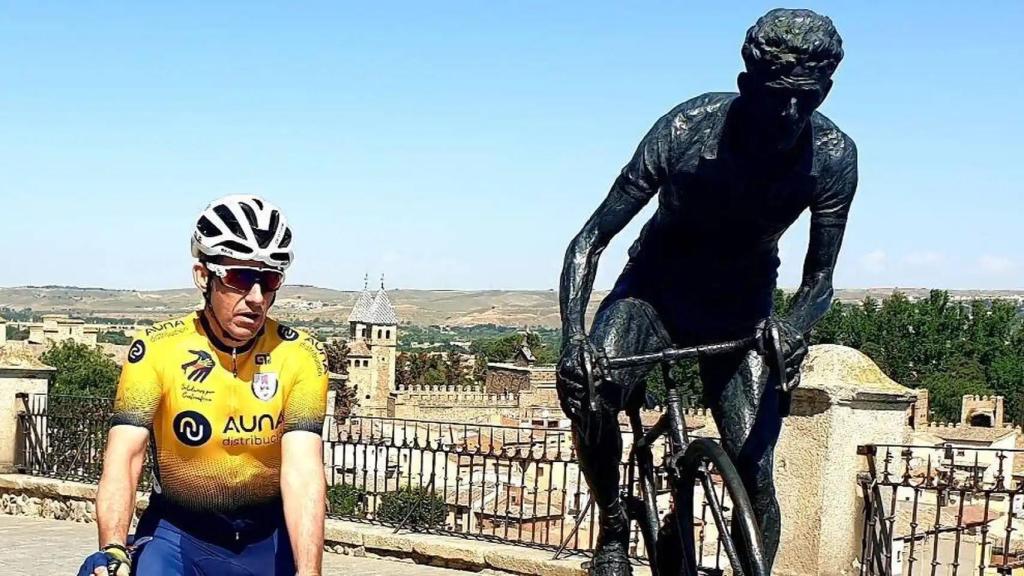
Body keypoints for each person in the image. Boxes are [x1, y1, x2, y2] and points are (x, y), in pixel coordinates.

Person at [556, 9, 858, 575]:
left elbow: (820, 280)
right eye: (776, 97)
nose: (791, 114)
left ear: (827, 89)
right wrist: (574, 339)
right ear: (747, 86)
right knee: (593, 395)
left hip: (741, 309)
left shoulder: (835, 158)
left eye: (808, 98)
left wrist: (793, 328)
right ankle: (615, 526)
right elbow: (587, 242)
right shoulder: (684, 129)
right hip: (654, 292)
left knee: (755, 471)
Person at [78, 195, 329, 576]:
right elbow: (125, 457)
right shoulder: (156, 350)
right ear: (203, 275)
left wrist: (309, 573)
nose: (257, 298)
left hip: (265, 539)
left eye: (270, 279)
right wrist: (113, 547)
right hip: (178, 535)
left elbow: (303, 473)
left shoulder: (301, 355)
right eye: (240, 277)